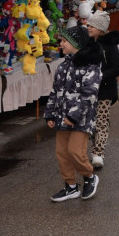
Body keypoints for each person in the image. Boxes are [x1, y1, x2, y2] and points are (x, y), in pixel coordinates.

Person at [45, 26, 102, 202]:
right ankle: (70, 186)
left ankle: (89, 176)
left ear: (76, 43)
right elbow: (55, 92)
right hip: (62, 118)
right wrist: (50, 114)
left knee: (75, 151)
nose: (60, 44)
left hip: (81, 119)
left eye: (64, 41)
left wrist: (73, 116)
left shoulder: (91, 66)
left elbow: (89, 94)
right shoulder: (62, 67)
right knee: (62, 152)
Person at [87, 10, 119, 170]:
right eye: (88, 24)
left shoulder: (110, 45)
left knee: (101, 122)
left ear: (100, 28)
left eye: (92, 25)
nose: (88, 27)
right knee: (90, 122)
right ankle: (92, 150)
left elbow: (117, 68)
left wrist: (99, 76)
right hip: (88, 91)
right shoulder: (88, 44)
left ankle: (98, 154)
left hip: (104, 91)